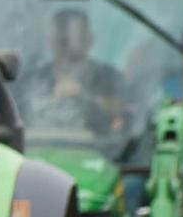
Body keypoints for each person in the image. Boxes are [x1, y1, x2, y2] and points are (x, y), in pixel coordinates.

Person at [22, 9, 127, 140]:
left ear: (89, 40)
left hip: (99, 154)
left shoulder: (109, 78)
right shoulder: (32, 81)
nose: (68, 49)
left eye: (75, 40)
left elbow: (124, 112)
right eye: (62, 41)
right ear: (51, 42)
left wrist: (82, 95)